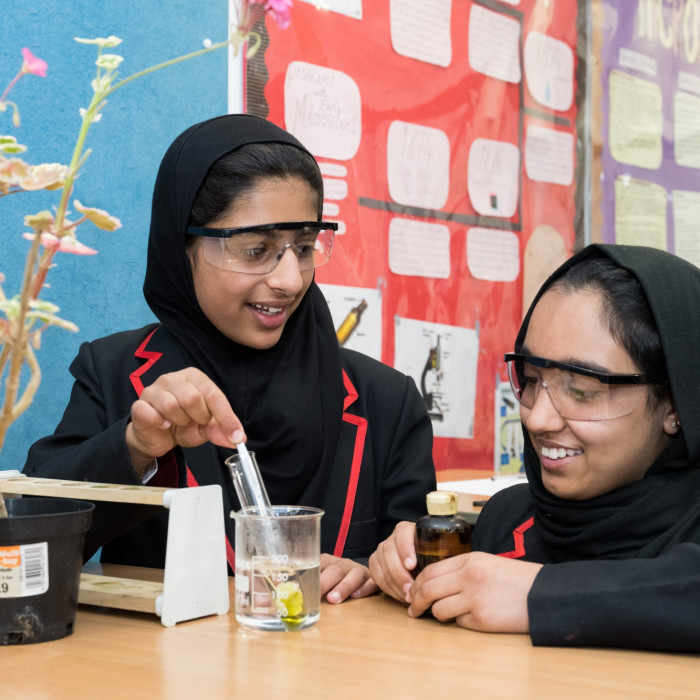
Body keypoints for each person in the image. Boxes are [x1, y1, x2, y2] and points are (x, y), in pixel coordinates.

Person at [23, 114, 436, 604]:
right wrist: (135, 446)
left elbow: (420, 565)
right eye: (256, 249)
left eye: (303, 247)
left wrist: (374, 574)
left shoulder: (385, 401)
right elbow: (29, 543)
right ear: (185, 246)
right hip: (163, 676)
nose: (289, 279)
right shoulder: (114, 374)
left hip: (339, 677)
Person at [369, 244, 700, 650]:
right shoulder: (508, 519)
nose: (538, 419)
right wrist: (402, 570)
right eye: (529, 379)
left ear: (675, 404)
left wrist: (539, 594)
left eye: (581, 391)